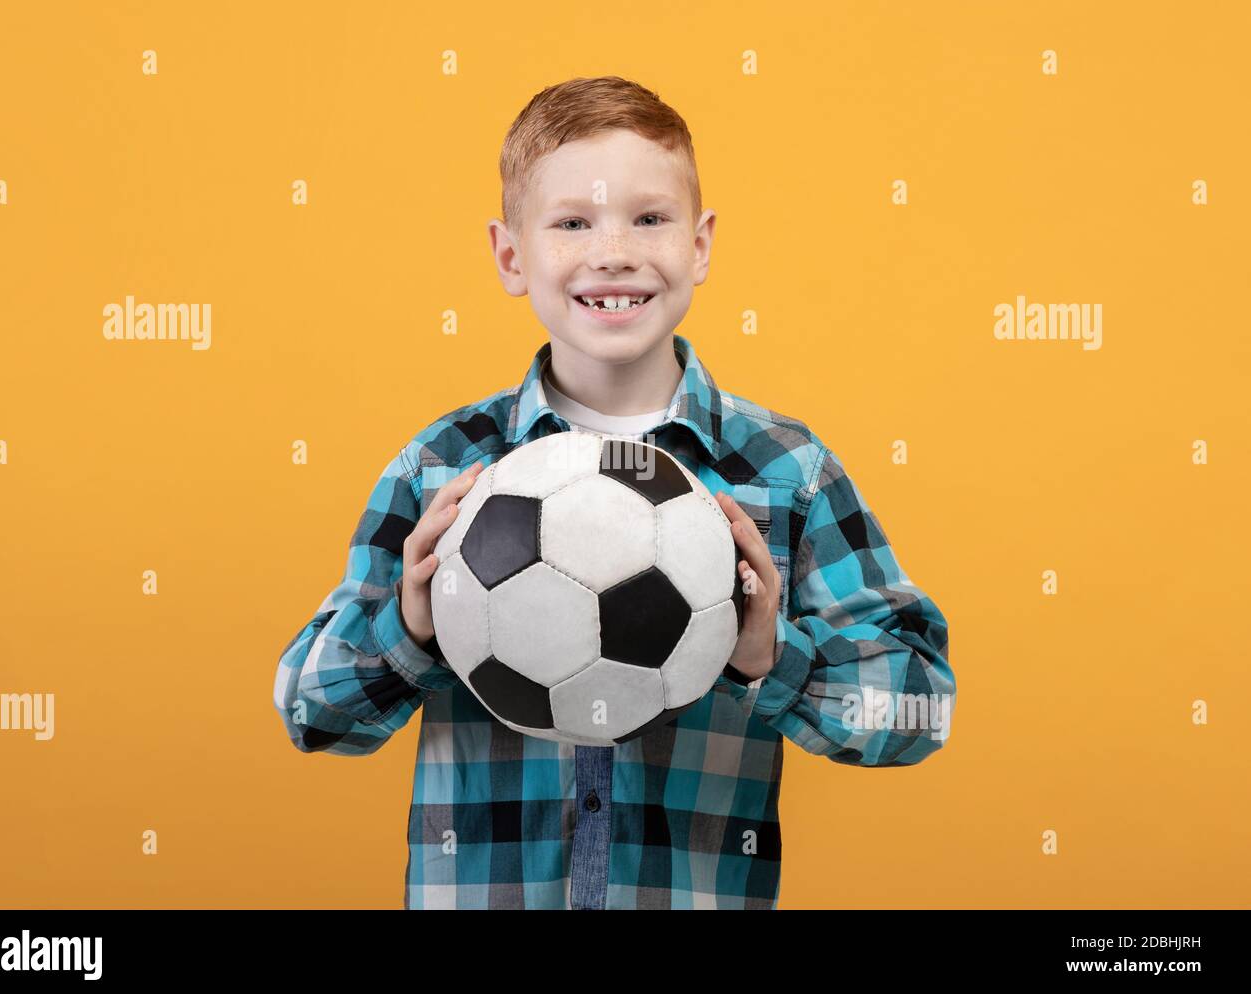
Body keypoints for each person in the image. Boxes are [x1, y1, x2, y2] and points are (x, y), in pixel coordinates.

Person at [273, 75, 956, 910]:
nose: (613, 252)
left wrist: (770, 656)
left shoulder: (784, 471)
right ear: (511, 257)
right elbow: (311, 711)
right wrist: (409, 628)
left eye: (650, 218)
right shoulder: (443, 469)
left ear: (699, 246)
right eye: (571, 223)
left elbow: (922, 707)